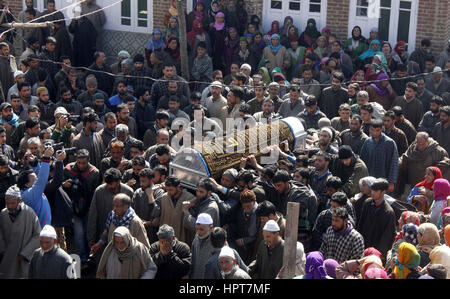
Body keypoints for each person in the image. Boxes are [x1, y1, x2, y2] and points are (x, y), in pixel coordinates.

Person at [0, 184, 41, 279]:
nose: (9, 206)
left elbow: (38, 235)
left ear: (19, 201)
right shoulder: (3, 214)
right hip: (7, 258)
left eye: (12, 203)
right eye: (8, 203)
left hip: (24, 258)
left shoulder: (29, 213)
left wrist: (25, 253)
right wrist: (2, 250)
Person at [356, 178, 397, 259]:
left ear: (383, 192)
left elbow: (387, 237)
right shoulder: (367, 203)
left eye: (376, 191)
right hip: (363, 246)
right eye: (372, 190)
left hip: (376, 252)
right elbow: (361, 224)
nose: (372, 193)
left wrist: (378, 255)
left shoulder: (388, 212)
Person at [360, 119, 399, 191]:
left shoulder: (389, 142)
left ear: (382, 129)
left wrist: (392, 181)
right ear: (370, 129)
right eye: (372, 130)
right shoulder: (368, 142)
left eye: (377, 130)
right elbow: (362, 161)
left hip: (384, 179)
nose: (375, 133)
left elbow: (394, 163)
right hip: (369, 179)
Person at [189, 213, 214, 279]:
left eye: (201, 229)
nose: (198, 232)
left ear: (211, 228)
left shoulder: (217, 241)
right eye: (197, 229)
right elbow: (192, 257)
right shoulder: (196, 237)